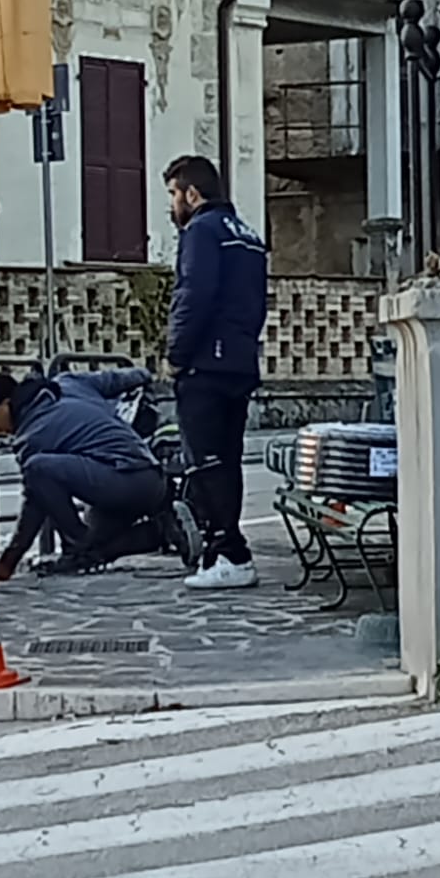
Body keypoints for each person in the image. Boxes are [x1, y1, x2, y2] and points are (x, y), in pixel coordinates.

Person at [164, 154, 268, 590]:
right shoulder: (247, 235)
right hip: (240, 360)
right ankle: (226, 549)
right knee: (228, 458)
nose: (171, 205)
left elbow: (193, 295)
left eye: (173, 194)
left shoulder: (201, 232)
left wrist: (176, 353)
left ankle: (229, 551)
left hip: (206, 361)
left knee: (206, 461)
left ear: (192, 193)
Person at [0, 368, 190, 579]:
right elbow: (116, 379)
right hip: (151, 477)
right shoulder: (68, 383)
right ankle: (162, 531)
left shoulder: (31, 437)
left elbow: (35, 501)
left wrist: (8, 561)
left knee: (37, 468)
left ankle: (75, 548)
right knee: (97, 548)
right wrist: (143, 375)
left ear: (5, 404)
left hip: (125, 481)